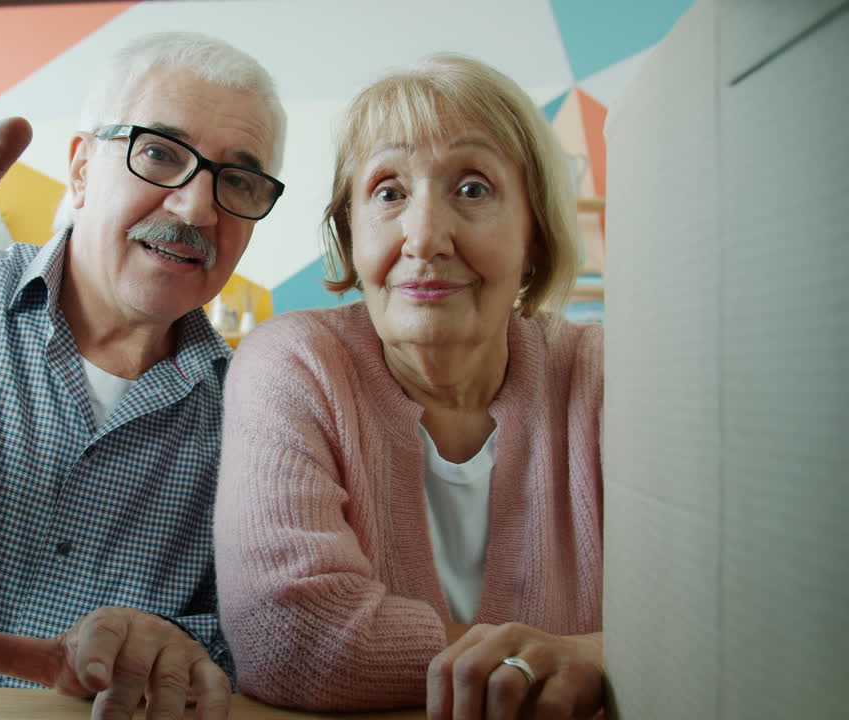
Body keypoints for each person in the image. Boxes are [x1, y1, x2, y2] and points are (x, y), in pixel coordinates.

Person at [0, 12, 286, 718]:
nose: (197, 208)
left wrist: (184, 651)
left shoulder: (253, 418)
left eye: (240, 181)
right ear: (80, 169)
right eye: (161, 154)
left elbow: (242, 646)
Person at [214, 54, 604, 718]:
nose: (423, 238)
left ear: (535, 233)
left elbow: (712, 615)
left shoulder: (602, 374)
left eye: (473, 189)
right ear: (349, 232)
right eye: (389, 192)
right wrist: (570, 660)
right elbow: (289, 636)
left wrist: (593, 658)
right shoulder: (294, 363)